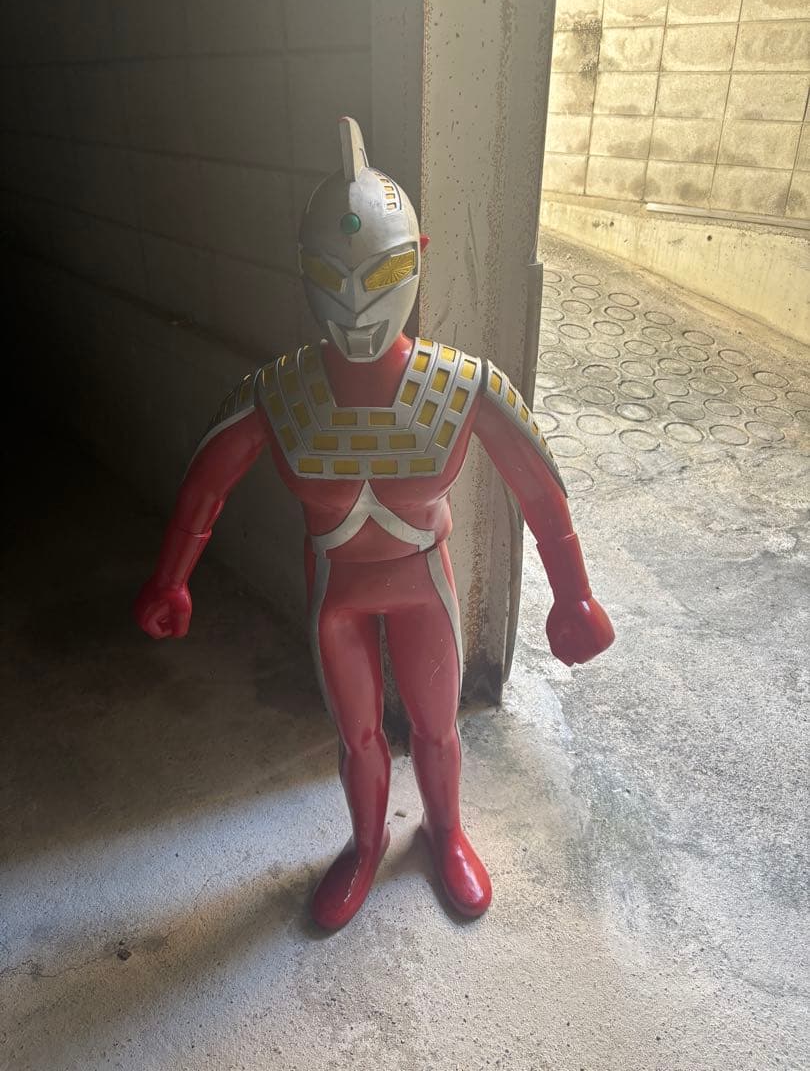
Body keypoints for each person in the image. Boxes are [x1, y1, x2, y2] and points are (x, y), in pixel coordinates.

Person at [135, 117, 614, 930]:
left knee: (437, 727)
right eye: (332, 275)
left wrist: (574, 593)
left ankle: (446, 832)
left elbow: (539, 489)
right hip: (339, 595)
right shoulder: (280, 392)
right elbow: (207, 481)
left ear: (418, 256)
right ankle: (365, 846)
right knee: (358, 737)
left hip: (422, 583)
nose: (357, 301)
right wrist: (170, 578)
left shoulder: (461, 386)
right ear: (304, 271)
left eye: (381, 272)